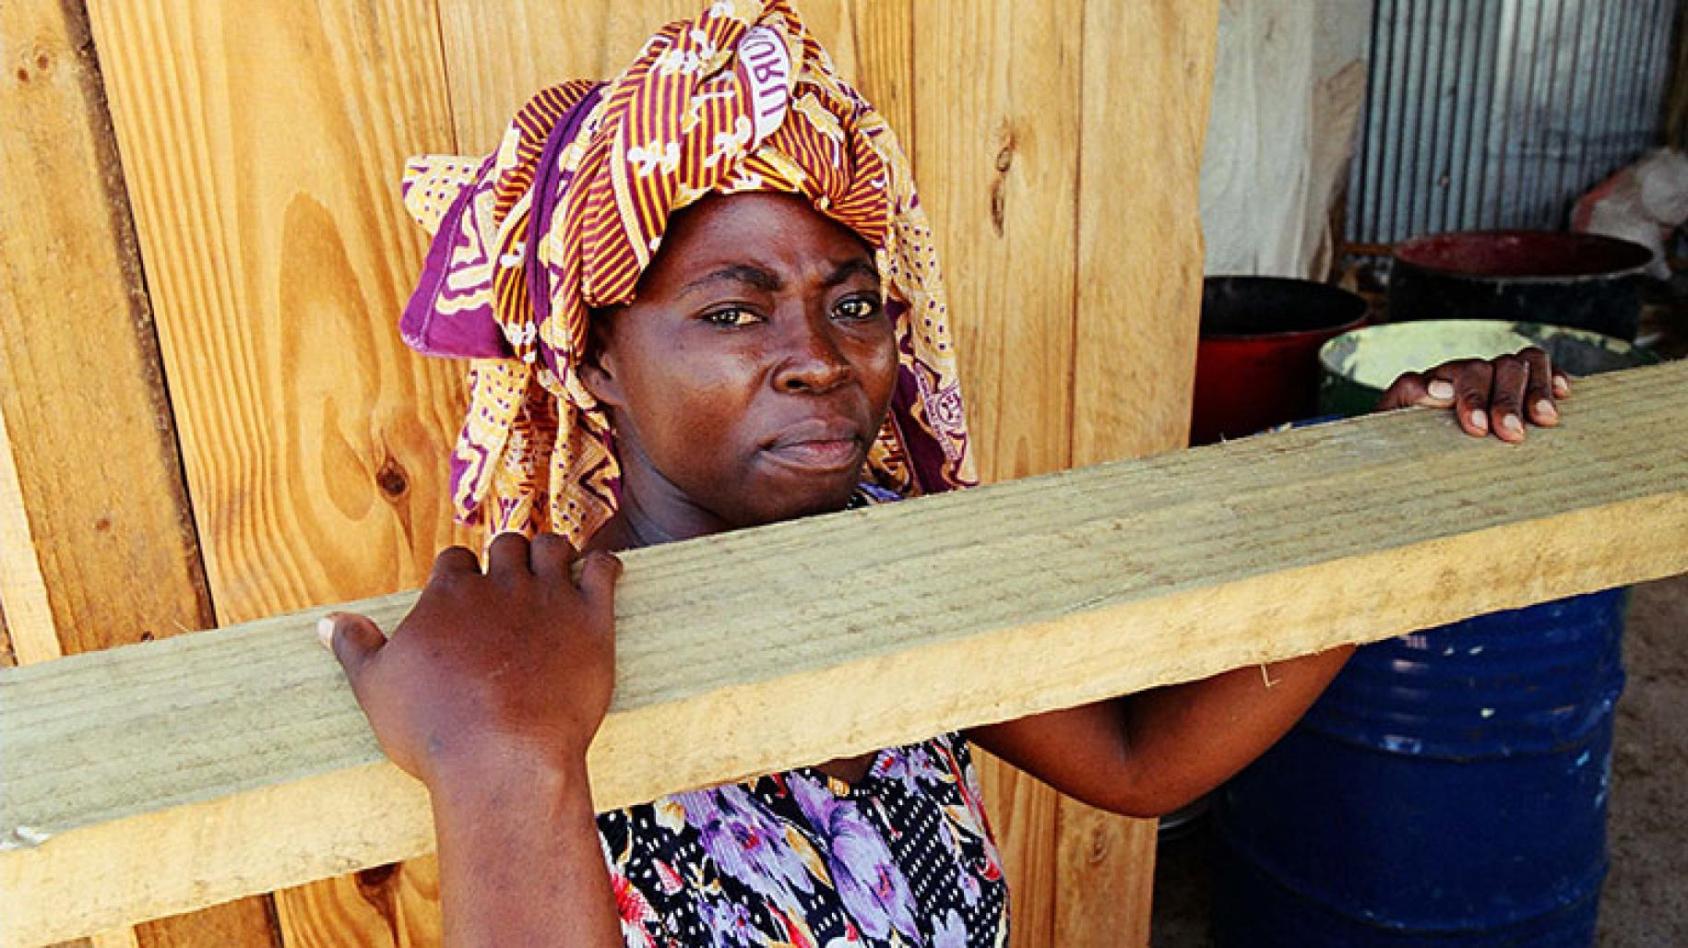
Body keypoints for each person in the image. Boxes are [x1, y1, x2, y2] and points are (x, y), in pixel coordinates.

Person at [318, 3, 1573, 944]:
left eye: (851, 301)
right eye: (733, 312)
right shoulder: (533, 677)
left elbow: (1139, 761)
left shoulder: (898, 557)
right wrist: (503, 763)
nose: (821, 360)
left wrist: (1384, 486)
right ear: (592, 358)